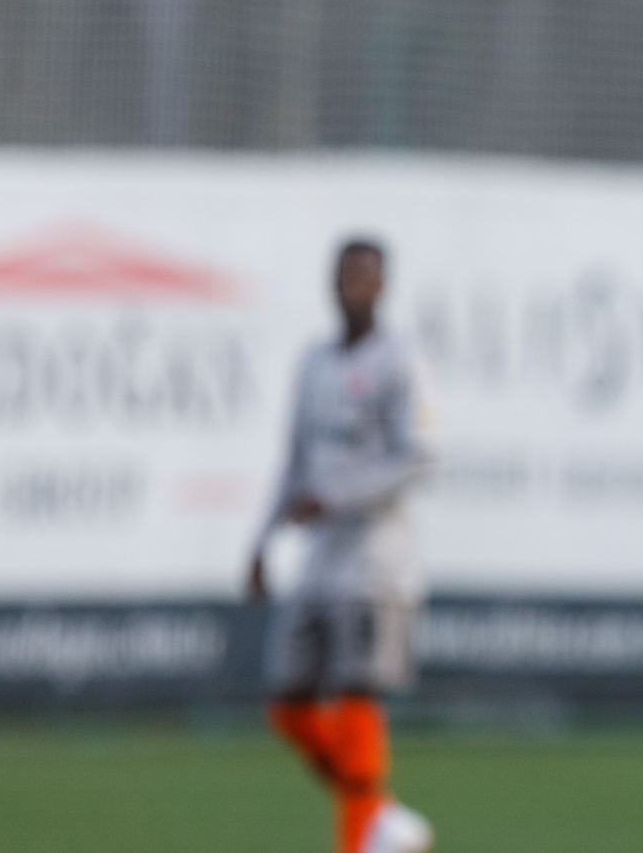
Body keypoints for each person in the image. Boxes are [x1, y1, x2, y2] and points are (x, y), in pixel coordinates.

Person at [246, 239, 437, 853]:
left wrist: (341, 497)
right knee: (288, 702)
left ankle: (358, 842)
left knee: (356, 698)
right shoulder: (315, 362)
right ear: (332, 283)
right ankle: (381, 814)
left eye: (366, 275)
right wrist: (262, 540)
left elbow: (420, 457)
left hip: (375, 562)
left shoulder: (401, 360)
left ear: (383, 286)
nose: (355, 285)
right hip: (318, 561)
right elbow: (295, 459)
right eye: (346, 274)